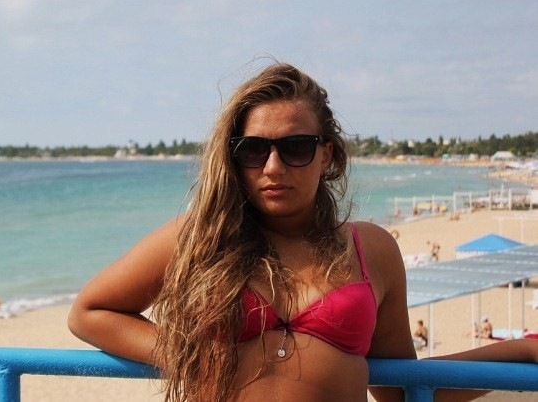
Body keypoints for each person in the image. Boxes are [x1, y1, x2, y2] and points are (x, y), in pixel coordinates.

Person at [68, 62, 538, 402]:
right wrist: (186, 353)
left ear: (327, 154)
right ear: (234, 159)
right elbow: (90, 312)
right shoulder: (198, 239)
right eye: (253, 150)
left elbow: (402, 390)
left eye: (295, 147)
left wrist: (518, 351)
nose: (273, 167)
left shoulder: (372, 249)